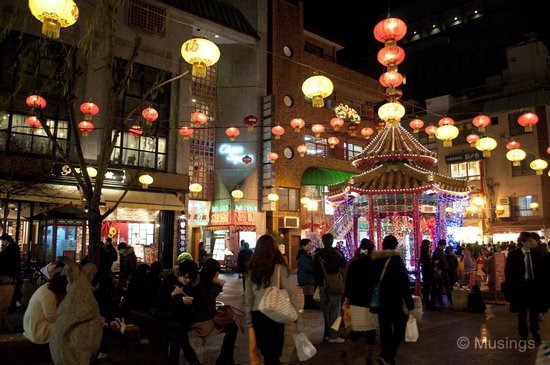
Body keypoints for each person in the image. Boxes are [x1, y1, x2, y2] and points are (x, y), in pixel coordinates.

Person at [245, 234, 295, 365]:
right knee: (273, 355)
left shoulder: (251, 269)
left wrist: (249, 323)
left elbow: (248, 300)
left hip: (258, 315)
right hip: (275, 313)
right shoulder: (280, 266)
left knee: (266, 352)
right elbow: (288, 291)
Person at [370, 235, 414, 365]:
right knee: (400, 328)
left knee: (385, 329)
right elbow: (404, 283)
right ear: (395, 245)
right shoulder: (396, 260)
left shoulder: (376, 260)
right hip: (394, 300)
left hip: (380, 300)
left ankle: (386, 356)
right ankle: (388, 355)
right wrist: (409, 302)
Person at [190, 258, 238, 365]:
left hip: (203, 319)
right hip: (201, 323)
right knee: (232, 327)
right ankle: (225, 360)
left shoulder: (202, 279)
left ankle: (225, 359)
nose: (217, 275)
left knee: (232, 325)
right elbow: (208, 299)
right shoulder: (201, 283)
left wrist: (217, 284)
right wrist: (218, 285)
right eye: (216, 273)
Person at [158, 260, 201, 365]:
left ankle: (178, 361)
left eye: (190, 278)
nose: (187, 280)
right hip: (168, 316)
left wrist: (189, 302)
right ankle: (193, 360)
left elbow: (197, 303)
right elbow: (160, 302)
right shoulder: (169, 281)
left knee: (176, 336)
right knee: (178, 334)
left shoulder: (192, 284)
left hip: (183, 318)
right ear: (180, 273)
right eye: (185, 277)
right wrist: (173, 294)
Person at [504, 231, 544, 343]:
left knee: (534, 311)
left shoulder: (536, 254)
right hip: (521, 287)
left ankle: (534, 331)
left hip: (533, 286)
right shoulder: (514, 255)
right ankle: (523, 335)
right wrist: (514, 287)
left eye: (532, 240)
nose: (532, 243)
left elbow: (540, 272)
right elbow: (509, 272)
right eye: (529, 241)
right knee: (522, 312)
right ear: (523, 242)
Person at [344, 238, 376, 358]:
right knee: (371, 330)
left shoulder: (354, 263)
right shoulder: (372, 264)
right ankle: (369, 357)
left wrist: (347, 297)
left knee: (357, 328)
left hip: (355, 300)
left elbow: (348, 282)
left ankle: (347, 350)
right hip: (369, 301)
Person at [313, 233, 347, 343]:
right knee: (335, 311)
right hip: (335, 285)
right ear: (332, 241)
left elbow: (314, 270)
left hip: (322, 285)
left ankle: (325, 333)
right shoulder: (337, 252)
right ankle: (334, 335)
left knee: (324, 310)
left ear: (323, 241)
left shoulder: (318, 254)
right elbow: (344, 266)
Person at [23, 271, 67, 344]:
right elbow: (51, 317)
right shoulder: (48, 295)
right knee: (67, 329)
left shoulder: (47, 288)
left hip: (32, 325)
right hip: (39, 329)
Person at [0, 233, 20, 331]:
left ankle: (4, 322)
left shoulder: (11, 247)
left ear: (5, 240)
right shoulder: (13, 246)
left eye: (2, 241)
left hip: (9, 273)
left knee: (5, 301)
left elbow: (6, 260)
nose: (2, 243)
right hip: (11, 273)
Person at [296, 238, 318, 310]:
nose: (310, 246)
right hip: (306, 279)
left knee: (308, 298)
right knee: (308, 299)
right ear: (303, 246)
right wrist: (313, 259)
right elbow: (309, 268)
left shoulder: (305, 255)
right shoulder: (302, 256)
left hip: (307, 279)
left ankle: (307, 312)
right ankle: (307, 314)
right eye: (308, 245)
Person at [431, 239, 450, 307]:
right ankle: (439, 302)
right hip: (440, 273)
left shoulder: (439, 252)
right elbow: (439, 263)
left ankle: (440, 302)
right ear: (440, 245)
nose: (444, 247)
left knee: (439, 288)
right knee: (439, 288)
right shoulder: (438, 253)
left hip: (440, 273)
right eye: (444, 245)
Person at [419, 239, 436, 310]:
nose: (430, 246)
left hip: (425, 273)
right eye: (429, 245)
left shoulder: (423, 253)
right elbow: (427, 264)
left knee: (427, 288)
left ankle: (426, 302)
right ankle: (428, 304)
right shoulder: (425, 254)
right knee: (429, 288)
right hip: (428, 273)